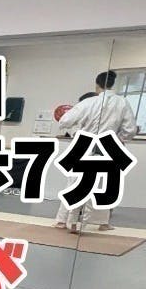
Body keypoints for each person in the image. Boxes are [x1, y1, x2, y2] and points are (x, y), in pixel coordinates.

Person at [53, 71, 139, 233]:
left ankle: (64, 221)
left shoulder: (89, 102)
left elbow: (65, 120)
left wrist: (80, 128)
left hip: (84, 144)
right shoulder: (123, 103)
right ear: (114, 84)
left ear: (97, 85)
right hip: (108, 146)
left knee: (75, 183)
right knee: (105, 185)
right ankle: (101, 223)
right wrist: (118, 138)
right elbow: (130, 130)